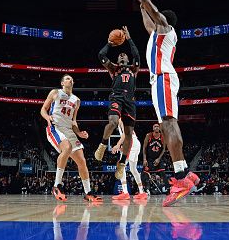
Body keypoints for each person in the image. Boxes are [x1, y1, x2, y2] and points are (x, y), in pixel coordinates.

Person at [129, 0, 199, 207]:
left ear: (165, 22)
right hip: (162, 80)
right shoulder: (157, 36)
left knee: (168, 123)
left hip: (163, 79)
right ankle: (185, 173)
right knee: (169, 121)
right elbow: (148, 21)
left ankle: (181, 179)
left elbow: (152, 11)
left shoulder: (166, 29)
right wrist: (141, 8)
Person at [41, 74, 102, 203]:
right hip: (55, 127)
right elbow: (43, 109)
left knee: (82, 161)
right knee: (67, 148)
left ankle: (88, 193)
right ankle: (57, 185)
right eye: (67, 78)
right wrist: (48, 118)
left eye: (71, 79)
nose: (70, 80)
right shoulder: (55, 92)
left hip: (69, 130)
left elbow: (73, 121)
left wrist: (79, 133)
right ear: (62, 82)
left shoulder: (76, 100)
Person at [94, 26, 140, 181]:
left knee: (128, 134)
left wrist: (129, 39)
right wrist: (109, 43)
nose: (121, 56)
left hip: (130, 101)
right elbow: (101, 54)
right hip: (116, 96)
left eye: (124, 55)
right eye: (119, 55)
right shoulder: (113, 68)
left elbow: (137, 55)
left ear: (127, 59)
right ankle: (102, 145)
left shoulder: (134, 68)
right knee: (113, 122)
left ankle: (122, 163)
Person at [111, 119, 148, 200]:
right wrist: (122, 148)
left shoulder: (121, 120)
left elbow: (125, 134)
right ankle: (142, 192)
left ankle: (125, 192)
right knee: (133, 169)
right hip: (135, 143)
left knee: (121, 167)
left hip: (131, 142)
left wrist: (117, 145)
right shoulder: (123, 120)